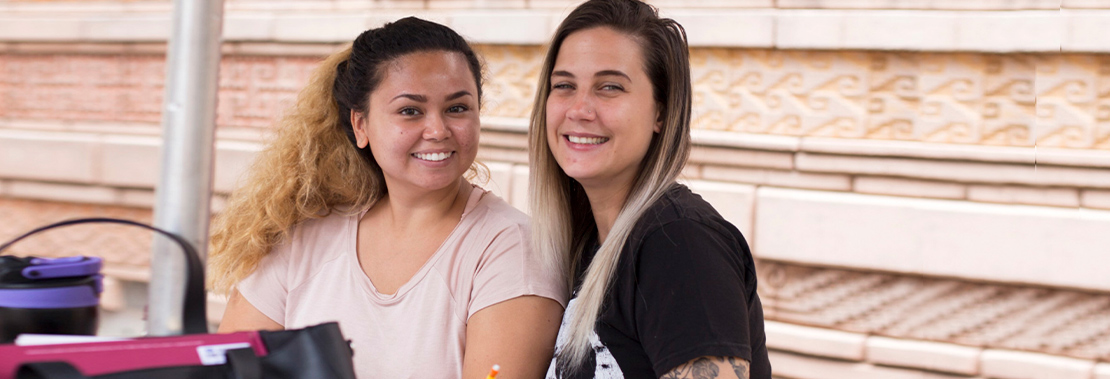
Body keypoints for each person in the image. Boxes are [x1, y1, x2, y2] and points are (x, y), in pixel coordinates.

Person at [209, 17, 566, 378]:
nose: (438, 130)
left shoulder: (513, 249)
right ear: (361, 126)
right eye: (410, 110)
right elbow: (231, 369)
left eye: (457, 108)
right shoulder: (303, 237)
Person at [528, 1, 771, 378]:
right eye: (564, 85)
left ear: (661, 111)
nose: (579, 108)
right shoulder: (591, 243)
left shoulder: (679, 243)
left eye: (609, 87)